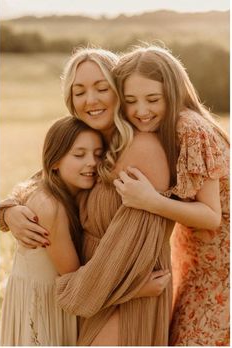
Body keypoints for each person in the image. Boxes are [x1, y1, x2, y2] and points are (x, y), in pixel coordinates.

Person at [0, 48, 173, 346]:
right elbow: (42, 179)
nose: (90, 100)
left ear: (120, 90)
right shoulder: (92, 145)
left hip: (127, 292)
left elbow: (130, 245)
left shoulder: (139, 149)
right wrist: (7, 211)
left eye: (102, 88)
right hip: (95, 294)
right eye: (79, 91)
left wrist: (126, 290)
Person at [112, 45, 230, 346]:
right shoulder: (167, 127)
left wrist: (150, 201)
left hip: (220, 274)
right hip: (199, 265)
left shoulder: (189, 128)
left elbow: (211, 216)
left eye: (153, 99)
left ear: (174, 93)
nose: (141, 111)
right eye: (130, 101)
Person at [0, 116, 106, 345]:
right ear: (55, 160)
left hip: (50, 301)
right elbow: (75, 283)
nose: (92, 163)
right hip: (43, 308)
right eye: (79, 155)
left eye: (98, 154)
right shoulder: (50, 206)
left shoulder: (66, 191)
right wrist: (137, 290)